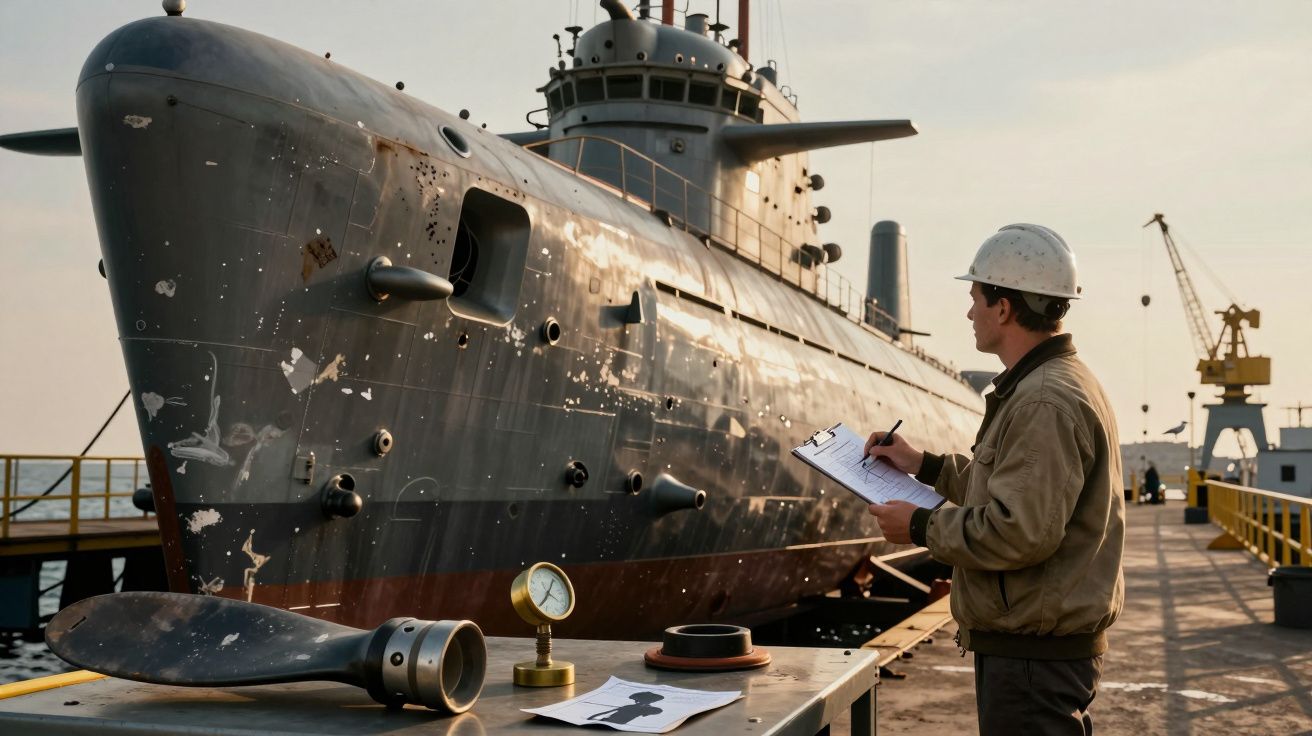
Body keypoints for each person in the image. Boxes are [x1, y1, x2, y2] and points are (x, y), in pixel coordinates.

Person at [865, 224, 1124, 736]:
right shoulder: (1051, 385)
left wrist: (919, 527)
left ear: (1003, 307)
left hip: (1034, 655)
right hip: (1037, 645)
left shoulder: (1043, 400)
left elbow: (1019, 531)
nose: (969, 313)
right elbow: (1019, 494)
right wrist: (925, 465)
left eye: (975, 297)